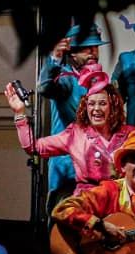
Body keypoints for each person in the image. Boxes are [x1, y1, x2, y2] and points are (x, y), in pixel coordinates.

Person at [5, 64, 133, 195]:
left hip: (120, 205)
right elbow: (33, 147)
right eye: (91, 104)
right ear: (85, 107)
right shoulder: (75, 134)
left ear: (113, 107)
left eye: (103, 103)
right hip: (85, 203)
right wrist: (19, 113)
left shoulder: (129, 135)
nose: (96, 109)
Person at [38, 22, 108, 203]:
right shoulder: (65, 78)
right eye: (86, 49)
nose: (93, 53)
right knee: (62, 222)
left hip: (97, 168)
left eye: (95, 48)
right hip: (67, 167)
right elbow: (44, 88)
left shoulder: (101, 82)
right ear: (73, 54)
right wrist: (55, 57)